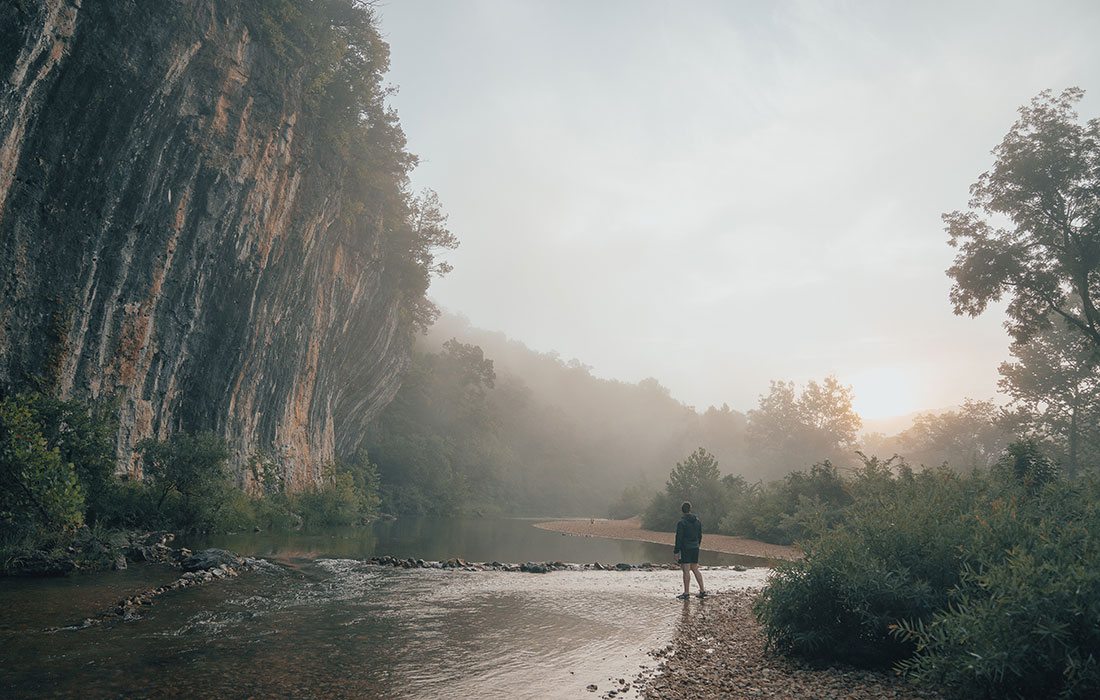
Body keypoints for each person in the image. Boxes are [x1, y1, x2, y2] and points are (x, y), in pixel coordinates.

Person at [673, 501, 706, 599]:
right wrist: (697, 545)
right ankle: (702, 590)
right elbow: (700, 535)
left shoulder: (681, 523)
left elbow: (679, 538)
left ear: (682, 510)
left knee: (686, 570)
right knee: (695, 568)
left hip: (686, 548)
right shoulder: (697, 521)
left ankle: (686, 593)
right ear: (690, 509)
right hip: (695, 547)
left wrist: (676, 551)